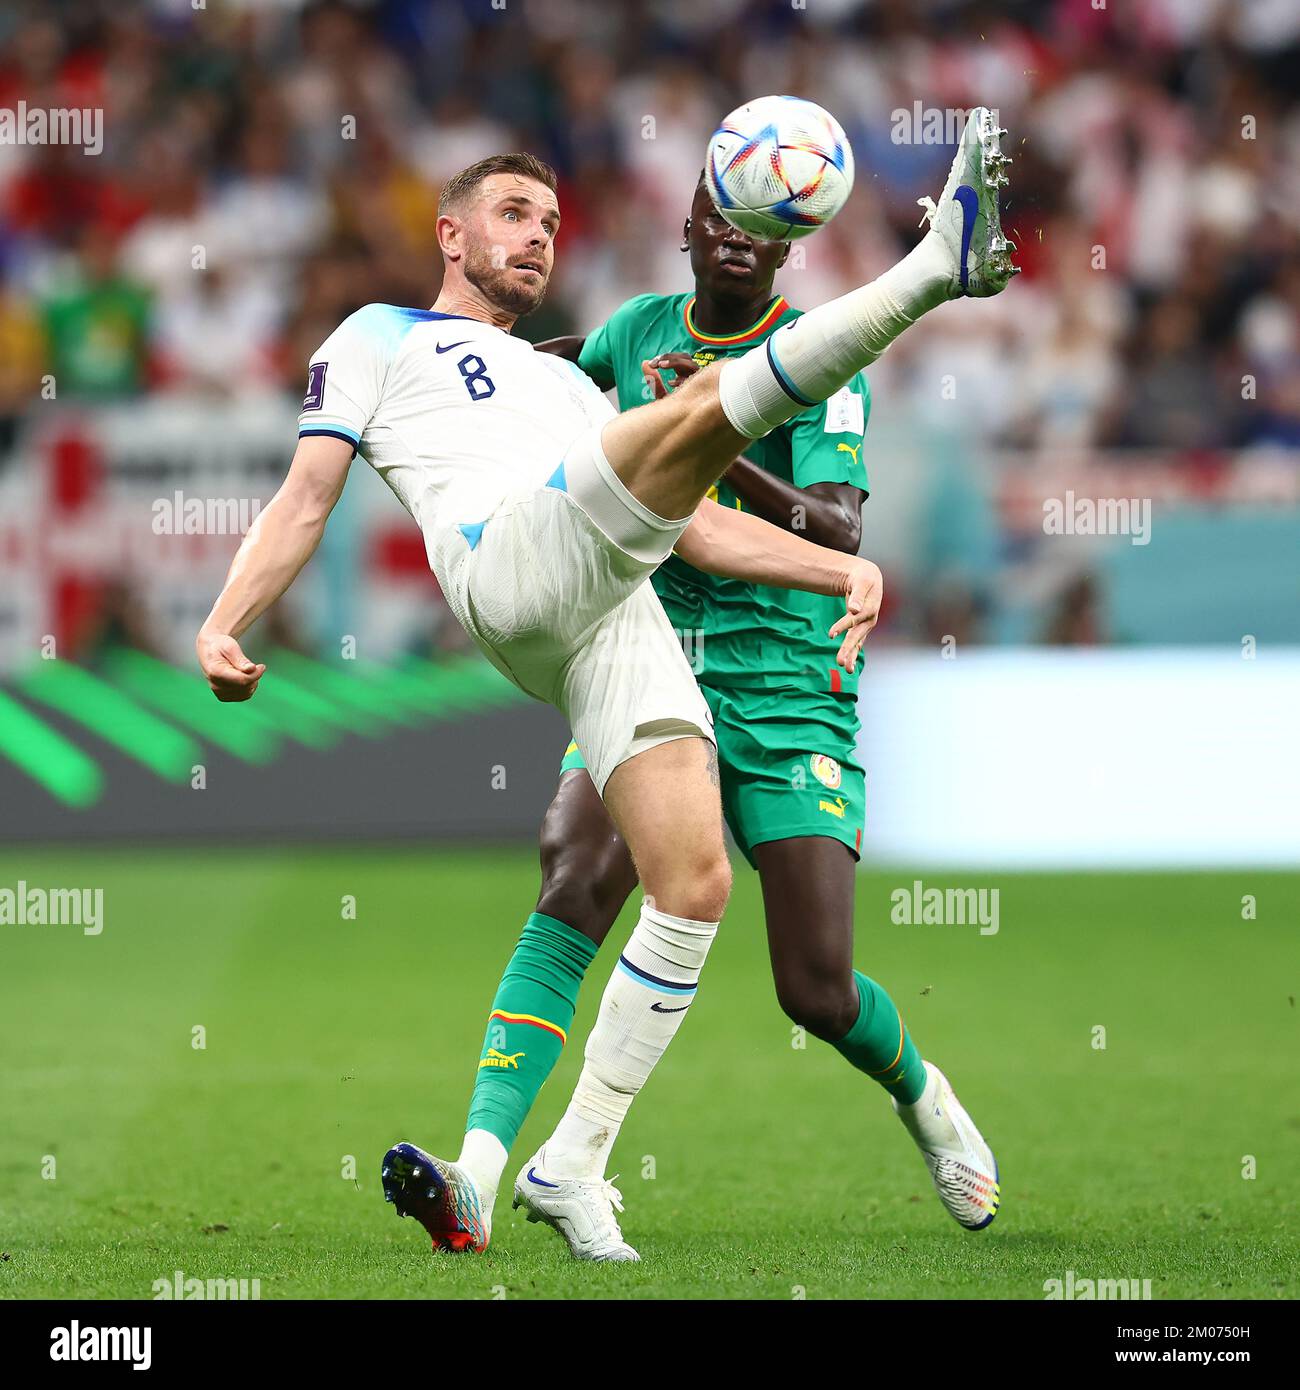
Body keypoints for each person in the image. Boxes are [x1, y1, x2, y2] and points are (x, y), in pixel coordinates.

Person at [195, 107, 1016, 1261]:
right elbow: (302, 500)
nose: (537, 237)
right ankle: (936, 268)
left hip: (640, 622)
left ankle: (554, 1166)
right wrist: (224, 619)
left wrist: (844, 564)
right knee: (678, 417)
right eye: (513, 216)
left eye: (551, 222)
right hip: (514, 562)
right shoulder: (381, 335)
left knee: (697, 890)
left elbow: (698, 531)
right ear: (447, 233)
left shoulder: (569, 389)